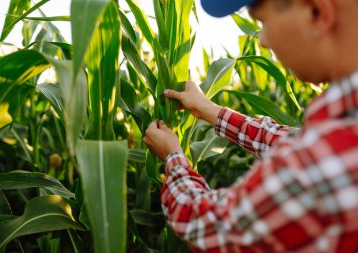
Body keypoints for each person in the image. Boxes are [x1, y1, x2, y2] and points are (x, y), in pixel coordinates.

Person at [143, 0, 358, 252]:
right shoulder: (339, 134)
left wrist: (173, 157)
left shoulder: (322, 161)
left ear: (317, 12)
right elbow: (290, 141)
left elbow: (209, 227)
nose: (263, 40)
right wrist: (210, 110)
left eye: (262, 21)